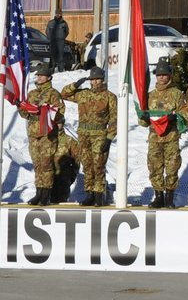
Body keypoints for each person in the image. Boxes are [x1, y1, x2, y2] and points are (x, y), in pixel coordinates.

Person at [61, 66, 118, 206]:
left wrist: (110, 138)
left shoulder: (109, 96)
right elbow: (64, 94)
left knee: (98, 165)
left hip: (99, 134)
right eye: (92, 79)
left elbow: (115, 118)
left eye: (97, 79)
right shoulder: (83, 94)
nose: (95, 82)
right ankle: (89, 194)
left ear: (102, 79)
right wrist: (76, 84)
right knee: (87, 165)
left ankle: (99, 195)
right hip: (84, 134)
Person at [139, 60, 188, 207]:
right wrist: (144, 117)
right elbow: (142, 121)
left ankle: (169, 198)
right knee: (154, 168)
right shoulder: (149, 96)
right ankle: (158, 196)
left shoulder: (177, 94)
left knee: (172, 167)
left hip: (171, 137)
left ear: (169, 76)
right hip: (155, 138)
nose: (161, 77)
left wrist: (176, 117)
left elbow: (185, 112)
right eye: (159, 75)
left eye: (164, 74)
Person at [18, 64, 64, 205]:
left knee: (46, 165)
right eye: (38, 75)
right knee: (37, 165)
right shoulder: (32, 94)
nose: (38, 78)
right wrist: (22, 107)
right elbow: (24, 114)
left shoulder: (53, 93)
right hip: (33, 134)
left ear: (48, 77)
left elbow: (59, 112)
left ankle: (46, 194)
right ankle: (38, 192)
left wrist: (44, 111)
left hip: (46, 134)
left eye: (41, 76)